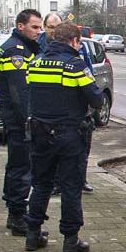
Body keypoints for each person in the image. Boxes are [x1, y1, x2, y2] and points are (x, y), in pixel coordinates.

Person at [24, 23, 102, 252]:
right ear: (75, 41)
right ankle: (70, 239)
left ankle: (32, 234)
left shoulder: (34, 62)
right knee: (70, 186)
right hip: (69, 134)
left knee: (40, 184)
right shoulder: (75, 66)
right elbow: (96, 99)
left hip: (39, 132)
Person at [0, 9, 43, 234]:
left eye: (40, 27)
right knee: (21, 167)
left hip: (14, 118)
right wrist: (29, 121)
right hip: (19, 120)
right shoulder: (16, 51)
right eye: (34, 27)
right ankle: (17, 215)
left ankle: (15, 211)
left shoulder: (21, 48)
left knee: (17, 165)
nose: (38, 31)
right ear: (20, 26)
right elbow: (20, 93)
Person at [39, 12, 95, 194]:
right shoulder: (40, 48)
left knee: (81, 151)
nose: (55, 31)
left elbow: (88, 71)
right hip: (57, 116)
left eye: (58, 27)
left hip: (72, 112)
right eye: (51, 27)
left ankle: (80, 178)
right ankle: (59, 183)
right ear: (45, 28)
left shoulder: (80, 52)